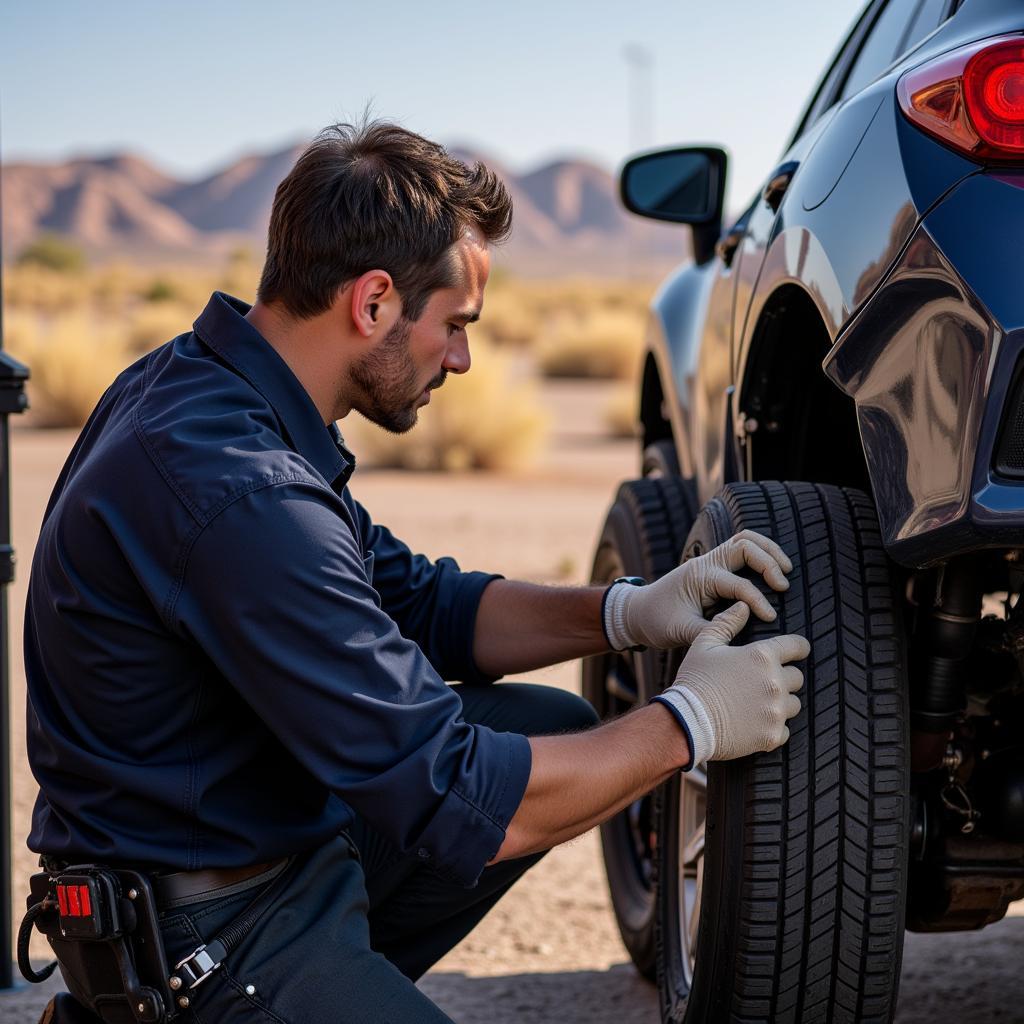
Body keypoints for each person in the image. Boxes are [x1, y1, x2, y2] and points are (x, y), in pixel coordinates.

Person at [24, 120, 809, 1023]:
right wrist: (692, 722)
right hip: (205, 932)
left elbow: (421, 601)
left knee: (545, 719)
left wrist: (630, 612)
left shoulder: (211, 390)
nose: (463, 358)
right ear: (372, 302)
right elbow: (462, 801)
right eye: (455, 325)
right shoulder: (239, 494)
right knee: (503, 785)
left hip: (255, 840)